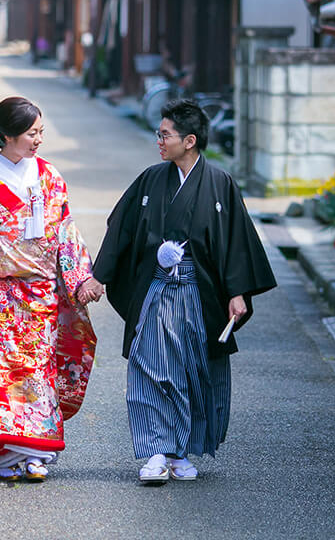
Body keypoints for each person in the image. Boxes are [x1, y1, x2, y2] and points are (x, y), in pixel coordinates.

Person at [92, 98, 276, 484]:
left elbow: (236, 243)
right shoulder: (150, 179)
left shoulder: (220, 183)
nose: (159, 141)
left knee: (193, 373)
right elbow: (122, 230)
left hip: (199, 293)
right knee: (149, 368)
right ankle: (155, 451)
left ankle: (179, 451)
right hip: (158, 290)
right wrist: (101, 274)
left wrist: (238, 292)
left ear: (189, 140)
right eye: (159, 134)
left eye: (165, 134)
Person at [0, 96, 104, 483]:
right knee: (0, 373)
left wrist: (80, 280)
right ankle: (8, 456)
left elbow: (66, 232)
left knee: (38, 369)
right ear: (8, 134)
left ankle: (35, 454)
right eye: (32, 132)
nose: (38, 140)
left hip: (41, 292)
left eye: (41, 132)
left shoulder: (49, 176)